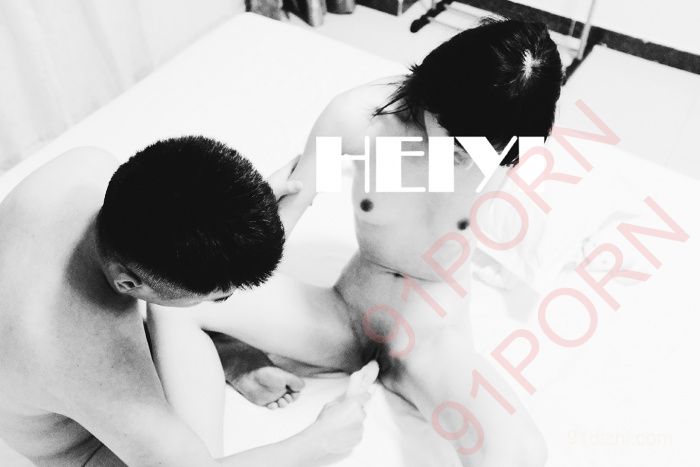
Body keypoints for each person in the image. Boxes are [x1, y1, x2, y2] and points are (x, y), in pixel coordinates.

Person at [150, 18, 563, 466]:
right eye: (459, 140)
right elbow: (290, 214)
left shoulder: (510, 140)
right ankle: (200, 443)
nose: (468, 157)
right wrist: (245, 236)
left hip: (430, 333)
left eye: (490, 147)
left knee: (523, 454)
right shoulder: (359, 121)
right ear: (435, 96)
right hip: (347, 313)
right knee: (173, 299)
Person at [0, 135, 375, 466]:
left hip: (56, 350)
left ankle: (223, 354)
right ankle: (217, 352)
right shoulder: (89, 361)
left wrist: (241, 213)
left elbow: (180, 205)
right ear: (128, 283)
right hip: (85, 449)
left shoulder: (86, 168)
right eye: (217, 297)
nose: (227, 298)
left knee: (184, 300)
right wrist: (317, 443)